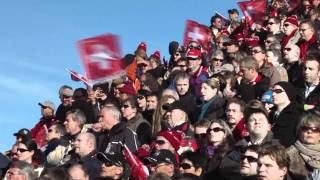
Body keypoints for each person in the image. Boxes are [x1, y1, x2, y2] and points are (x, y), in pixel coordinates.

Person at [287, 112, 320, 180]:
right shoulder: (289, 154)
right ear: (299, 132)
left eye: (315, 129)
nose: (310, 132)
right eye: (305, 129)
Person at [269, 81, 304, 147]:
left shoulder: (297, 114)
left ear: (288, 93)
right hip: (267, 150)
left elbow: (290, 139)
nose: (273, 94)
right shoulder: (270, 114)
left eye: (278, 91)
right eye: (272, 91)